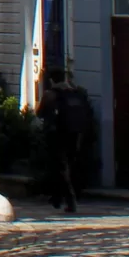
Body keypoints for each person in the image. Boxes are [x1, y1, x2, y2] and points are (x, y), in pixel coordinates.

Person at [39, 73, 95, 214]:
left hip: (57, 135)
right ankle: (65, 197)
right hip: (75, 135)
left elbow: (39, 113)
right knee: (70, 165)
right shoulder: (74, 93)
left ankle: (66, 199)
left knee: (59, 167)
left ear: (51, 80)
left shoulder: (50, 95)